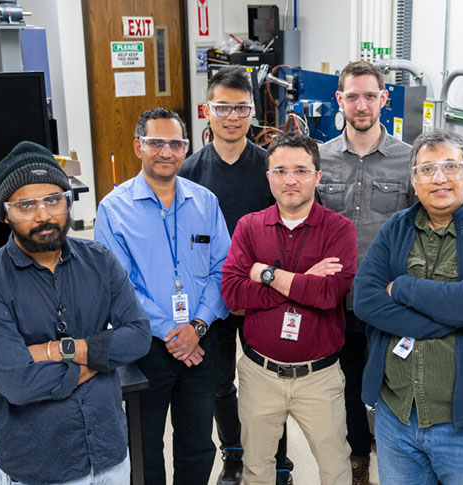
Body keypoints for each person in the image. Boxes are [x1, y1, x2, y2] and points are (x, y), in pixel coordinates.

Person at [0, 141, 152, 485]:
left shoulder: (100, 261)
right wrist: (100, 356)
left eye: (53, 199)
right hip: (39, 465)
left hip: (109, 453)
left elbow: (138, 336)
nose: (44, 215)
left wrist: (57, 351)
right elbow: (17, 384)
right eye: (26, 205)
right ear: (4, 214)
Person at [353, 130, 463, 485]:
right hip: (396, 419)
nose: (439, 178)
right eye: (426, 169)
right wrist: (450, 317)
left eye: (451, 167)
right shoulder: (395, 228)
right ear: (413, 181)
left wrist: (402, 287)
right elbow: (365, 299)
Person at [95, 108, 231, 485]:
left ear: (186, 149)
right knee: (145, 443)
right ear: (139, 146)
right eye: (156, 143)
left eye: (175, 144)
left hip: (201, 340)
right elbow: (118, 286)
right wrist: (174, 331)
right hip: (145, 346)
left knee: (198, 441)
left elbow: (223, 268)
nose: (166, 152)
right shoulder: (113, 209)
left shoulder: (205, 202)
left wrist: (197, 325)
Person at [220, 133, 357, 485]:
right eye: (280, 171)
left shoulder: (340, 230)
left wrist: (266, 275)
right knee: (257, 469)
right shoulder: (250, 227)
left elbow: (329, 293)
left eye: (301, 170)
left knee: (335, 467)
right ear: (269, 177)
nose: (290, 180)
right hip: (259, 375)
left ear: (318, 176)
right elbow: (233, 293)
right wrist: (302, 283)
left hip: (319, 378)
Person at [179, 66, 293, 485]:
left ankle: (279, 463)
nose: (232, 116)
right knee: (219, 385)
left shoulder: (270, 169)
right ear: (206, 110)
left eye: (241, 107)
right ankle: (234, 457)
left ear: (252, 111)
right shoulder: (189, 173)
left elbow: (288, 231)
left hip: (266, 295)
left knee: (273, 384)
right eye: (223, 107)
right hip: (213, 301)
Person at [318, 59, 414, 484]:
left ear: (384, 99)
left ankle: (397, 464)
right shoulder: (319, 159)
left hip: (388, 301)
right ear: (339, 99)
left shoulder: (409, 161)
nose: (361, 104)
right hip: (336, 303)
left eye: (370, 96)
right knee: (348, 389)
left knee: (395, 386)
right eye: (352, 96)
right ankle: (358, 459)